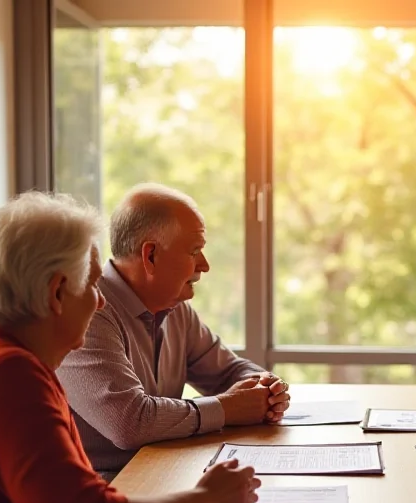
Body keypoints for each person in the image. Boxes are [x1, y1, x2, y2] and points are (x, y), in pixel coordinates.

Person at [0, 193, 260, 503]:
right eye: (92, 284)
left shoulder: (13, 362)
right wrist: (208, 502)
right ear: (57, 293)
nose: (100, 301)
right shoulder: (13, 373)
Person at [56, 183, 290, 478]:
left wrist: (264, 389)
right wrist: (227, 409)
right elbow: (129, 423)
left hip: (161, 475)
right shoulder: (89, 310)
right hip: (106, 492)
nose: (204, 265)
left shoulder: (175, 308)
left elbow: (229, 371)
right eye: (195, 251)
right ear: (150, 255)